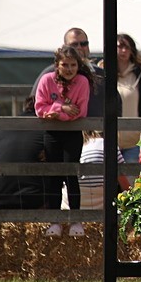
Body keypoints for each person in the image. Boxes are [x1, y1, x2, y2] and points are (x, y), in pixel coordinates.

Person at [34, 44, 93, 236]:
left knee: (71, 174)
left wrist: (56, 112)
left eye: (73, 65)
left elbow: (81, 112)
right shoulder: (46, 80)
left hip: (73, 132)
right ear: (57, 65)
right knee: (54, 177)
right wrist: (62, 108)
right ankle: (55, 221)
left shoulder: (82, 82)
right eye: (65, 65)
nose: (69, 69)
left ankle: (76, 220)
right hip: (52, 133)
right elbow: (40, 109)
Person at [29, 27, 106, 117]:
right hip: (54, 128)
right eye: (74, 44)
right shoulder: (48, 76)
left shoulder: (100, 74)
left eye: (84, 44)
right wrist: (59, 109)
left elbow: (115, 103)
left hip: (95, 128)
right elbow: (34, 107)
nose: (79, 48)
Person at [106, 33, 141, 163]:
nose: (124, 51)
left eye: (128, 47)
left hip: (134, 142)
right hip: (109, 141)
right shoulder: (102, 73)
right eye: (120, 47)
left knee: (132, 182)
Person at [78, 130, 128, 212]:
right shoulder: (108, 144)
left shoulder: (80, 145)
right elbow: (123, 182)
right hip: (104, 201)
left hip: (78, 201)